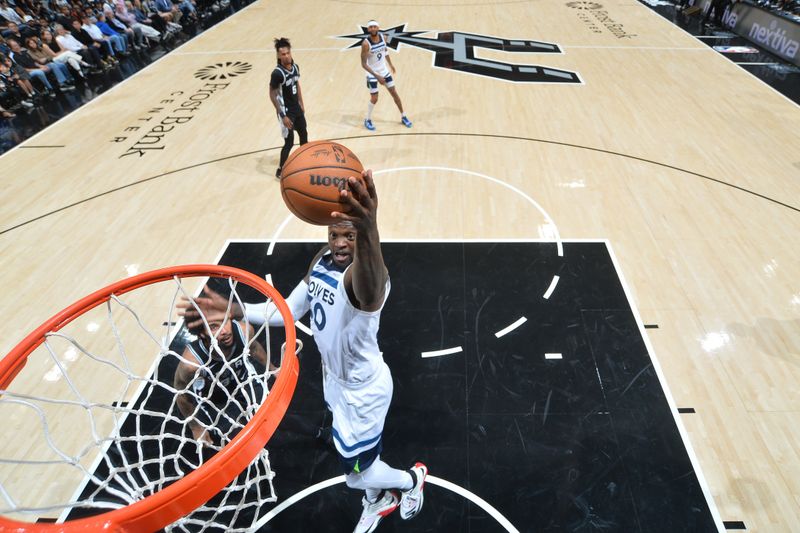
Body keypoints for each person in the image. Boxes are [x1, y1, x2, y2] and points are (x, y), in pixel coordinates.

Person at [180, 171, 427, 533]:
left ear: (364, 239)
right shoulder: (321, 263)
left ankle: (409, 481)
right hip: (335, 382)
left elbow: (370, 281)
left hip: (364, 392)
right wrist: (237, 309)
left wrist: (370, 225)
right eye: (334, 234)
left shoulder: (368, 281)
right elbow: (286, 312)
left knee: (357, 474)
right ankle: (377, 499)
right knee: (355, 462)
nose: (340, 243)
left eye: (350, 235)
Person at [173, 312, 272, 446]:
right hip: (215, 399)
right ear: (202, 333)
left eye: (225, 321)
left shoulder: (243, 331)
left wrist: (272, 368)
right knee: (238, 441)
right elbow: (181, 394)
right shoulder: (191, 363)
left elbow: (254, 348)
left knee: (273, 417)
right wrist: (196, 428)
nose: (225, 331)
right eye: (214, 327)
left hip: (243, 380)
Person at [360, 20, 411, 131]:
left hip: (383, 71)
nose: (373, 28)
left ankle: (403, 116)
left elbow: (385, 50)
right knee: (374, 98)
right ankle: (367, 119)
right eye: (371, 27)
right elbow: (363, 64)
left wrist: (390, 64)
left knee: (394, 94)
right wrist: (377, 76)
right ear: (368, 29)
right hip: (371, 72)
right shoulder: (365, 44)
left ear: (378, 28)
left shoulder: (384, 37)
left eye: (375, 26)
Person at [269, 36, 306, 180]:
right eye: (283, 54)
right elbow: (271, 94)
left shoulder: (295, 67)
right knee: (289, 141)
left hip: (296, 108)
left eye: (288, 53)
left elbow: (297, 84)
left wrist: (301, 102)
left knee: (304, 136)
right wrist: (282, 115)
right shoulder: (277, 73)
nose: (286, 56)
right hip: (286, 112)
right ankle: (280, 169)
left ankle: (306, 162)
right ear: (278, 55)